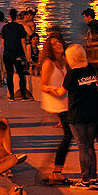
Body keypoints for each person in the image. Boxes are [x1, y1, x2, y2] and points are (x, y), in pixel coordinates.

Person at [58, 43, 98, 189]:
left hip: (77, 114)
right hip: (92, 113)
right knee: (90, 146)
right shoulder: (93, 70)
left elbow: (61, 93)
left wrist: (48, 89)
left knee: (82, 146)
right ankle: (94, 178)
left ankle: (85, 179)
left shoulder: (72, 74)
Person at [38, 33, 73, 186]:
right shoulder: (49, 63)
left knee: (66, 137)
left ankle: (55, 170)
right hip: (55, 104)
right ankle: (55, 171)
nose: (58, 44)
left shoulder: (64, 61)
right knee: (67, 136)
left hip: (65, 102)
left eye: (59, 41)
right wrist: (55, 90)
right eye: (53, 43)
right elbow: (42, 85)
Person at [1, 9, 29, 100]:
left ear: (9, 16)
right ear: (16, 16)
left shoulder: (5, 28)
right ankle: (23, 95)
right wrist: (26, 55)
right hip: (18, 54)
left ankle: (11, 95)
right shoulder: (20, 27)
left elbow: (3, 42)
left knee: (9, 75)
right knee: (21, 74)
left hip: (7, 53)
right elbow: (23, 42)